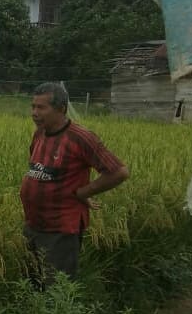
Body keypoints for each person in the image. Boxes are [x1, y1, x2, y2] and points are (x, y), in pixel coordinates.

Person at [20, 82, 129, 287]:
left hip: (60, 229)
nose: (34, 112)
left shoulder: (80, 138)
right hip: (34, 224)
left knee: (57, 290)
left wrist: (83, 192)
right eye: (33, 106)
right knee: (32, 285)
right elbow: (41, 170)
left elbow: (118, 172)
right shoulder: (40, 133)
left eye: (41, 107)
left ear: (61, 108)